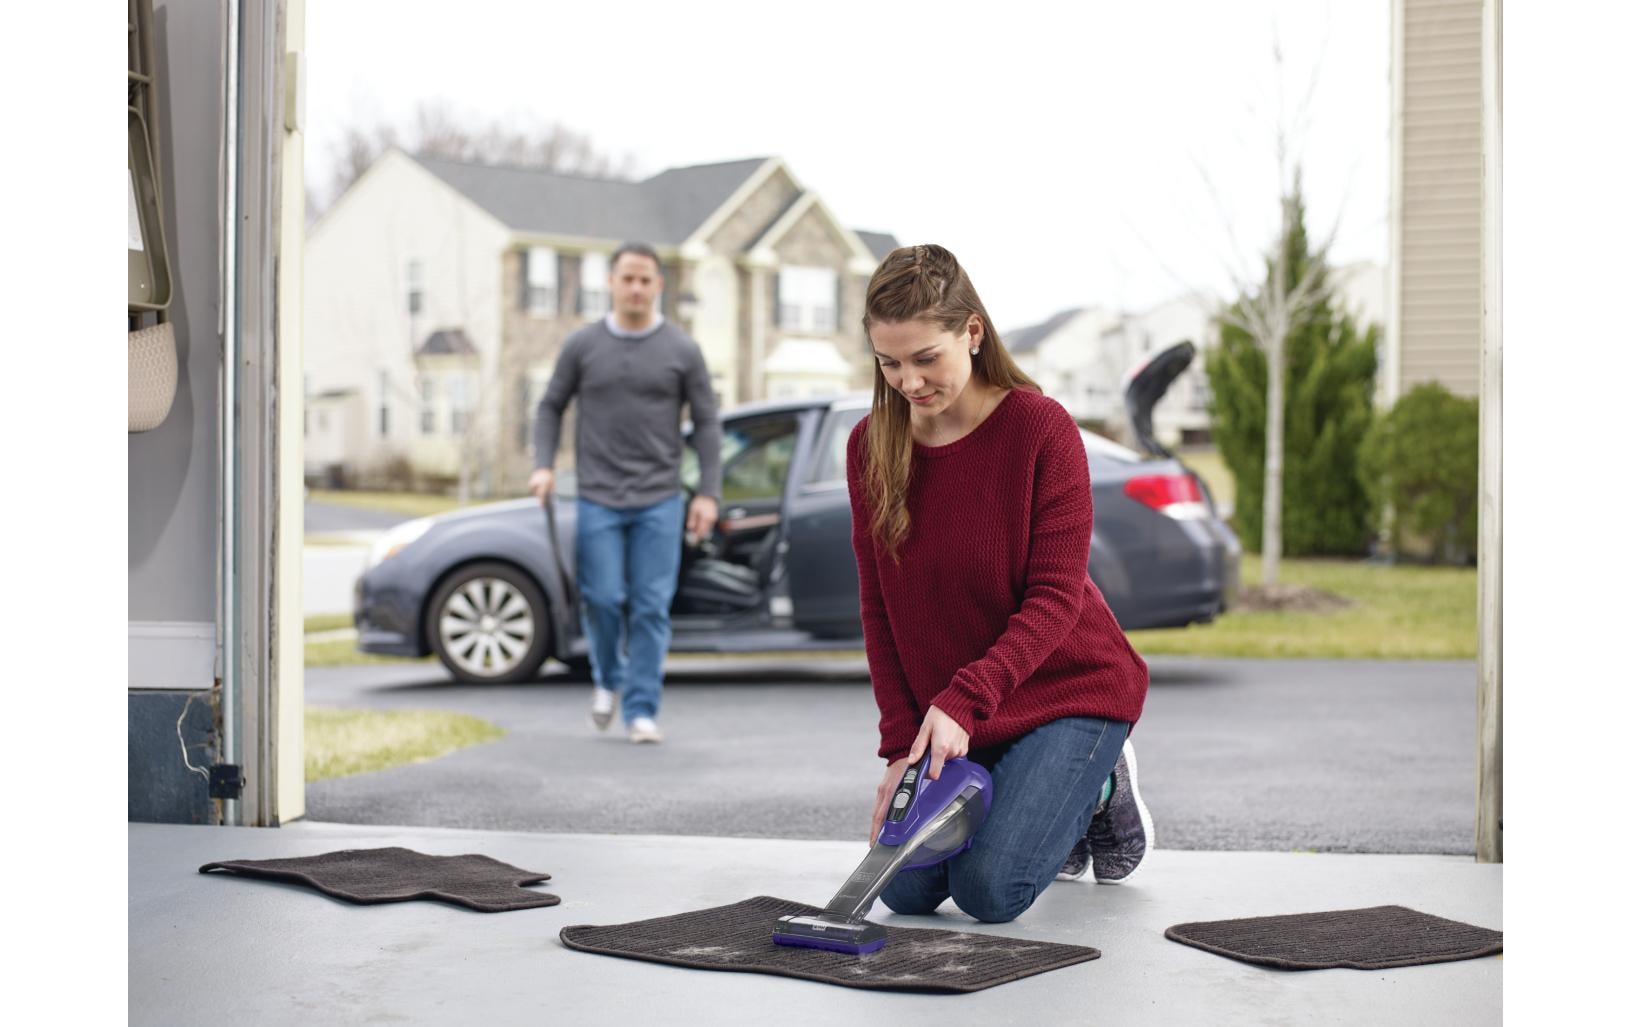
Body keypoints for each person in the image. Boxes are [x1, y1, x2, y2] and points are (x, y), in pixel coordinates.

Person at [846, 243, 1154, 923]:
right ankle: (1038, 799)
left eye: (926, 358)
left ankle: (1097, 785)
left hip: (1065, 686)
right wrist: (900, 749)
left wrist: (962, 698)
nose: (908, 380)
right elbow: (878, 608)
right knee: (907, 889)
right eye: (888, 362)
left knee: (989, 888)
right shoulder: (870, 444)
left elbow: (1055, 596)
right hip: (961, 714)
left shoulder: (1038, 428)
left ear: (972, 333)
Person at [530, 242, 722, 744]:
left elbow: (707, 424)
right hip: (598, 495)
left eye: (645, 280)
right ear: (611, 283)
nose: (636, 288)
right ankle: (607, 680)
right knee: (603, 598)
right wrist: (543, 466)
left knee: (650, 605)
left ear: (658, 286)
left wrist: (707, 493)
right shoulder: (582, 346)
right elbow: (550, 407)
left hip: (660, 498)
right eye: (627, 279)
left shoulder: (682, 349)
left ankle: (640, 710)